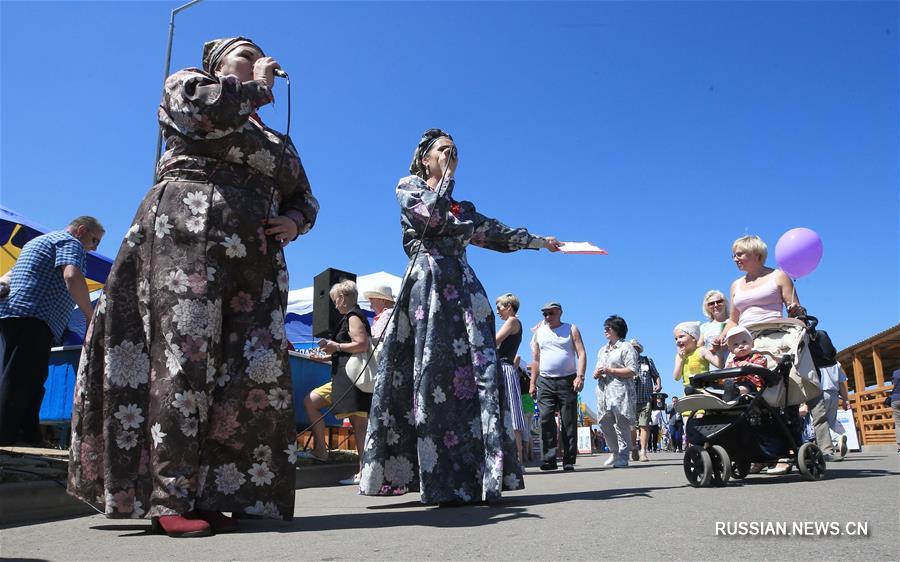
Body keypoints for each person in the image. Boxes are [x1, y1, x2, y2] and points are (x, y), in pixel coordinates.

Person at [67, 37, 318, 537]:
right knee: (183, 358)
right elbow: (203, 111)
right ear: (218, 64)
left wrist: (292, 220)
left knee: (246, 375)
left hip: (253, 266)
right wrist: (256, 86)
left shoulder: (274, 138)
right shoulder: (189, 84)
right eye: (245, 54)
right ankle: (168, 494)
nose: (258, 59)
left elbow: (305, 197)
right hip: (186, 241)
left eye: (259, 56)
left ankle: (217, 491)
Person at [359, 129, 561, 505]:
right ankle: (432, 476)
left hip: (464, 294)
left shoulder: (462, 209)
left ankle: (473, 475)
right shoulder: (409, 186)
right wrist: (445, 182)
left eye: (455, 150)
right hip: (429, 289)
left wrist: (539, 242)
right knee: (430, 377)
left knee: (472, 381)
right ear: (425, 158)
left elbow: (496, 234)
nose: (451, 153)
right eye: (443, 149)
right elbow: (430, 221)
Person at [0, 217, 103, 446]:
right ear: (82, 230)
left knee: (31, 378)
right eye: (95, 240)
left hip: (14, 314)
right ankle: (5, 438)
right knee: (21, 379)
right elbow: (71, 276)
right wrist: (90, 316)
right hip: (35, 316)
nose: (94, 247)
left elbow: (6, 278)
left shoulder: (38, 242)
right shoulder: (70, 242)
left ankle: (28, 435)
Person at [317, 281, 373, 485]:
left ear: (343, 297)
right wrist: (329, 355)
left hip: (354, 378)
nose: (335, 305)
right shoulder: (355, 316)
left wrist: (336, 345)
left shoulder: (353, 317)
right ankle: (365, 471)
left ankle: (364, 472)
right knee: (359, 426)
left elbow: (362, 344)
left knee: (359, 427)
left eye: (335, 300)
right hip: (353, 376)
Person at [530, 302, 587, 472]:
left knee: (568, 421)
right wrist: (533, 382)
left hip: (567, 380)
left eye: (551, 313)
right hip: (545, 381)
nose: (547, 317)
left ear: (560, 312)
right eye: (545, 314)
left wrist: (580, 376)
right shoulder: (539, 331)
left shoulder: (571, 328)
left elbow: (581, 353)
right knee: (546, 419)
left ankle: (568, 460)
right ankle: (549, 459)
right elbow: (536, 359)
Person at [717, 235, 805, 340]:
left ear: (756, 255)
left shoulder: (779, 276)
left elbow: (798, 313)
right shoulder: (735, 285)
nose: (735, 259)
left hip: (774, 336)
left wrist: (795, 310)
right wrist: (721, 337)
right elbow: (733, 320)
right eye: (734, 256)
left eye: (739, 255)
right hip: (744, 341)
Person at [593, 315, 639, 468]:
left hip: (620, 390)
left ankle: (624, 456)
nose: (605, 330)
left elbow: (633, 370)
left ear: (617, 330)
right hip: (603, 391)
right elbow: (596, 369)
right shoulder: (603, 349)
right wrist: (597, 373)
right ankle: (614, 452)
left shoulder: (626, 347)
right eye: (605, 328)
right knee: (604, 421)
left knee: (621, 422)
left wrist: (611, 370)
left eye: (609, 328)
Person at [495, 293, 527, 464]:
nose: (498, 311)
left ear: (509, 307)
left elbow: (494, 341)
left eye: (499, 307)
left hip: (505, 369)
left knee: (512, 414)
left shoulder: (512, 321)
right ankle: (515, 460)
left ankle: (518, 460)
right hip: (504, 368)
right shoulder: (513, 323)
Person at [629, 339, 661, 462]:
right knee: (632, 427)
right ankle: (634, 448)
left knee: (644, 425)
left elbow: (656, 375)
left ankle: (643, 451)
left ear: (639, 349)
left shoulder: (647, 360)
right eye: (631, 348)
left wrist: (658, 384)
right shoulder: (625, 362)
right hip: (630, 399)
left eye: (635, 348)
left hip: (645, 398)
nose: (633, 350)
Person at [722, 326, 767, 399]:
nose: (740, 346)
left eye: (744, 342)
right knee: (723, 382)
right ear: (730, 350)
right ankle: (725, 391)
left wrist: (751, 365)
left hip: (752, 384)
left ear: (752, 344)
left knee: (745, 387)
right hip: (734, 383)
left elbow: (763, 369)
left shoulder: (757, 357)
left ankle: (734, 391)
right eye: (735, 344)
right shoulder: (732, 361)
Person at [700, 290, 729, 367]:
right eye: (711, 303)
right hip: (713, 370)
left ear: (725, 303)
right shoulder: (704, 327)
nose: (716, 305)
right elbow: (699, 348)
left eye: (719, 301)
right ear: (707, 307)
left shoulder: (733, 322)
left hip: (731, 365)